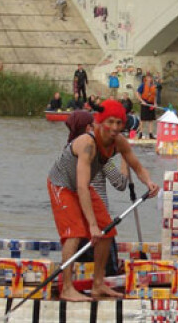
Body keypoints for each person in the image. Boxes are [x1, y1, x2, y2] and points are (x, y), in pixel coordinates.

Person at [47, 103, 159, 301]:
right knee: (75, 233)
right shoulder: (87, 144)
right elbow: (81, 187)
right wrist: (91, 225)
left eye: (119, 123)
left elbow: (137, 166)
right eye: (110, 122)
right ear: (100, 122)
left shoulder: (119, 142)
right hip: (62, 185)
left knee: (108, 232)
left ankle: (98, 284)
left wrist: (149, 182)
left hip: (83, 186)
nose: (115, 128)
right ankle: (67, 288)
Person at [136, 73, 157, 139]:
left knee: (151, 119)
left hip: (151, 103)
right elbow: (137, 93)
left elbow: (155, 95)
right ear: (146, 78)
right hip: (145, 103)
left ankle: (150, 133)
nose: (149, 79)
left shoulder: (153, 85)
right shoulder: (143, 85)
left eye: (150, 78)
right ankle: (141, 133)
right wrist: (142, 101)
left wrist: (155, 103)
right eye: (148, 78)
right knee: (143, 119)